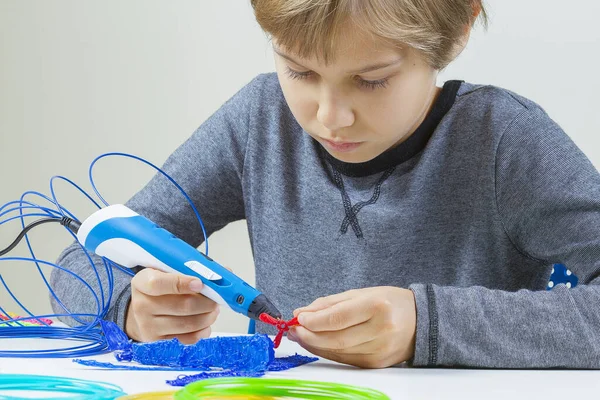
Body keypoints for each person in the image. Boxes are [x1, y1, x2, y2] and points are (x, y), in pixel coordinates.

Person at [51, 0, 600, 369]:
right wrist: (129, 306)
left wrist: (427, 325)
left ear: (455, 33)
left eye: (371, 80)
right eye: (300, 72)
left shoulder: (502, 138)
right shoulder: (258, 122)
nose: (330, 117)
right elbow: (81, 259)